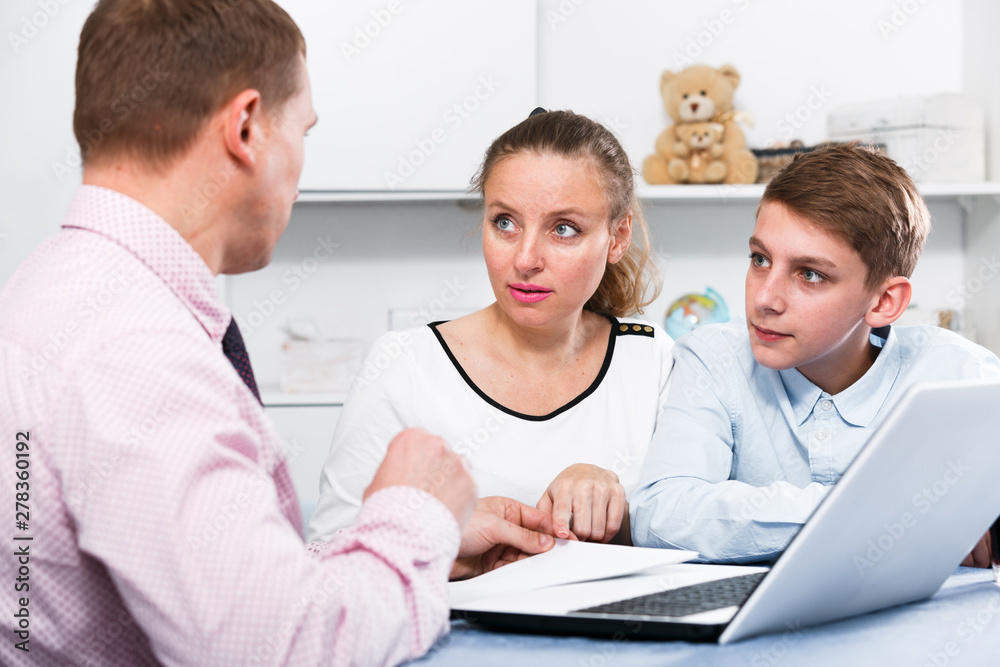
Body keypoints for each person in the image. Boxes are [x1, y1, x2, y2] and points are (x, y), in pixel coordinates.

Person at [0, 2, 555, 665]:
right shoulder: (138, 350)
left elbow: (214, 588)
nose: (300, 165)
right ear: (246, 127)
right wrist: (411, 515)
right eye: (304, 131)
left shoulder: (54, 288)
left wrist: (431, 543)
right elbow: (284, 646)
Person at [307, 110, 672, 547]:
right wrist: (445, 537)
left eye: (564, 229)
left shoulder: (650, 361)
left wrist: (617, 512)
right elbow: (326, 555)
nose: (525, 259)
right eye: (505, 222)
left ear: (617, 237)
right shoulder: (406, 365)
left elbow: (694, 530)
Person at [631, 143, 1000, 566]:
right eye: (760, 259)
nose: (764, 298)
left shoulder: (963, 376)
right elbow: (661, 514)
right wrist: (885, 512)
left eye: (810, 275)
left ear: (884, 302)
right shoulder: (713, 358)